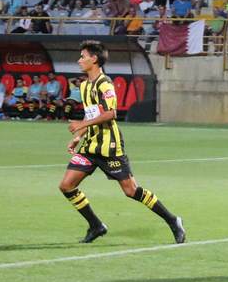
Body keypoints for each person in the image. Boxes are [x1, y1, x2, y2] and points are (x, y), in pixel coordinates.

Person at [58, 40, 186, 244]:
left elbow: (111, 113)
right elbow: (93, 113)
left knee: (131, 190)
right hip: (90, 147)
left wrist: (81, 123)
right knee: (66, 185)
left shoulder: (105, 83)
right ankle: (96, 225)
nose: (79, 60)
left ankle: (172, 220)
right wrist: (79, 135)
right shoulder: (83, 86)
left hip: (110, 147)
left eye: (83, 56)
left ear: (95, 59)